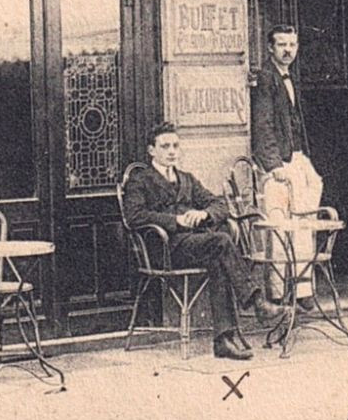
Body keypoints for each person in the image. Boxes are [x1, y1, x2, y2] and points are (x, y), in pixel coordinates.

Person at [122, 124, 286, 360]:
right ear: (151, 150)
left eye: (175, 146)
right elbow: (134, 216)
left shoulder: (187, 179)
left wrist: (204, 214)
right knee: (221, 241)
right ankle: (256, 302)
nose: (171, 151)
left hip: (195, 245)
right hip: (166, 248)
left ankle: (223, 341)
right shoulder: (141, 180)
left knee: (219, 259)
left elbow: (220, 205)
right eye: (165, 146)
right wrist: (176, 220)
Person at [249, 25, 324, 308]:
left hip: (297, 158)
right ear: (270, 48)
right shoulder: (266, 79)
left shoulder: (290, 77)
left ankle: (303, 289)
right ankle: (279, 292)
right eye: (281, 44)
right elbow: (262, 125)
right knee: (280, 226)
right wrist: (273, 164)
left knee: (304, 223)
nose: (287, 50)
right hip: (280, 163)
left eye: (292, 44)